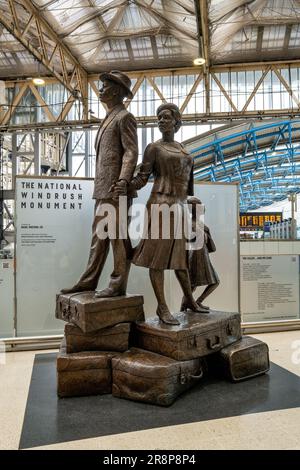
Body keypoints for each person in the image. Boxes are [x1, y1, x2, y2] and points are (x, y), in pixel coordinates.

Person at [127, 103, 206, 325]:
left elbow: (189, 188)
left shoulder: (185, 151)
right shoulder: (154, 148)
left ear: (176, 121)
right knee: (158, 259)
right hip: (160, 205)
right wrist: (126, 184)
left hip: (179, 207)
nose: (161, 120)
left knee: (181, 259)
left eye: (166, 117)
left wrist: (191, 212)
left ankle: (190, 300)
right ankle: (162, 308)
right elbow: (143, 178)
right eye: (159, 118)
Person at [61, 71, 138, 297]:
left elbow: (131, 152)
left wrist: (124, 180)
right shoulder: (108, 117)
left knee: (117, 238)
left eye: (104, 87)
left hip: (116, 189)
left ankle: (117, 283)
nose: (100, 90)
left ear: (115, 90)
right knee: (100, 236)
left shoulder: (124, 117)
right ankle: (89, 280)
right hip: (105, 188)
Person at [181, 196, 219, 311]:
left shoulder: (199, 224)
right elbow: (188, 241)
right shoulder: (189, 225)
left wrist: (206, 232)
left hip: (202, 256)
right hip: (196, 257)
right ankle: (187, 306)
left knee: (195, 285)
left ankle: (192, 303)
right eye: (200, 205)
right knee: (193, 285)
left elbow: (212, 247)